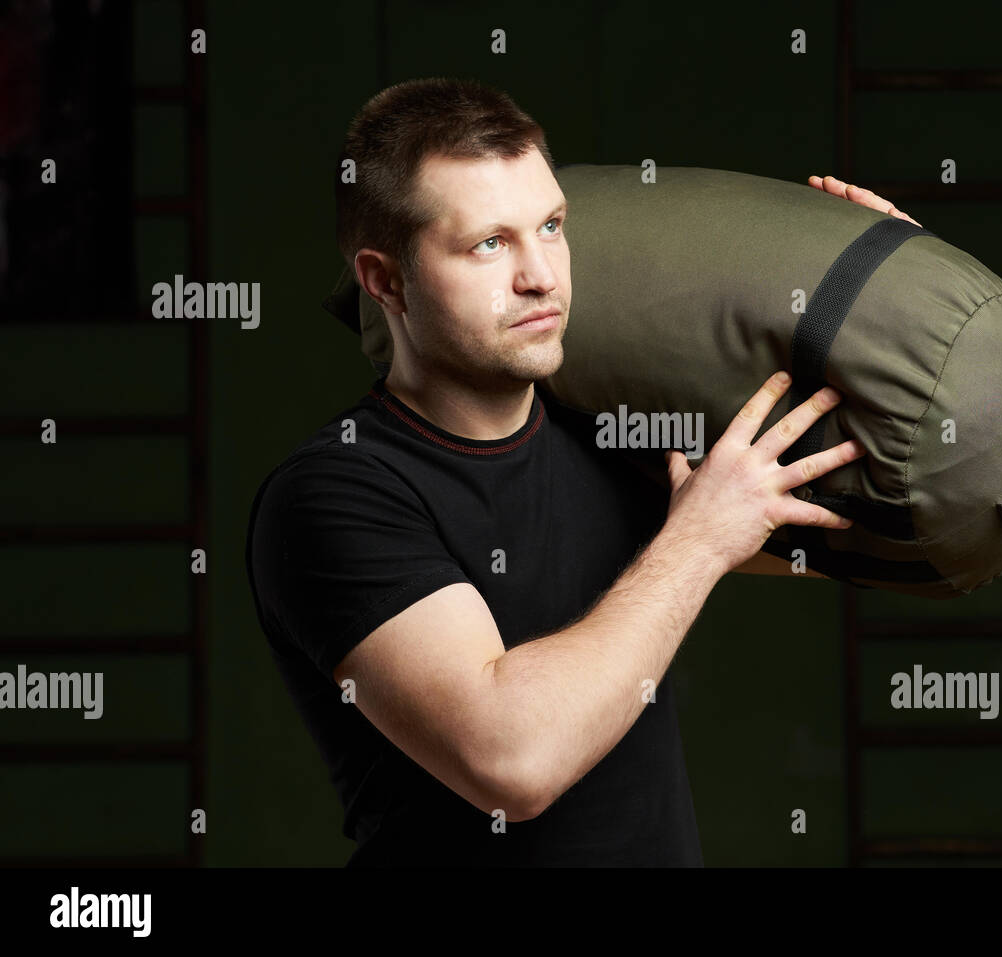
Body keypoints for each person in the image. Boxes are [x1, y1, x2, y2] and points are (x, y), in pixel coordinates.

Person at [245, 76, 913, 866]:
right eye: (489, 243)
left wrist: (892, 296)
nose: (542, 276)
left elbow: (881, 535)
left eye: (552, 226)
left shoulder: (618, 432)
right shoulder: (334, 495)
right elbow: (511, 762)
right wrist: (696, 540)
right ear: (385, 279)